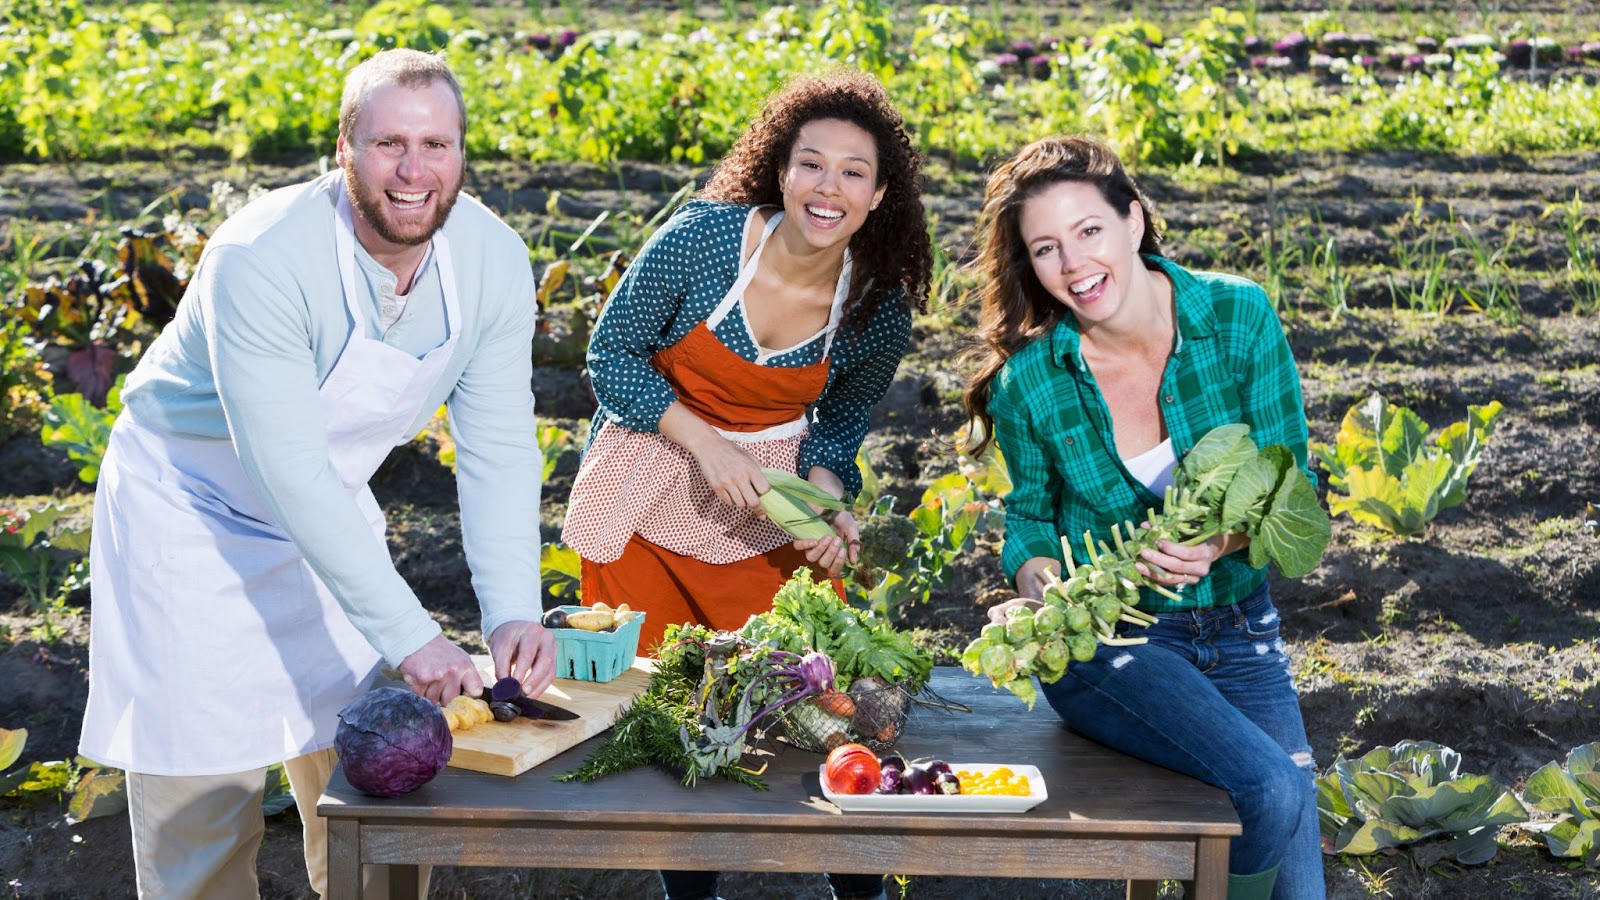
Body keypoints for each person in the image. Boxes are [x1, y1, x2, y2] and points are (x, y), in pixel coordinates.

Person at [78, 49, 556, 899]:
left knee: (377, 777)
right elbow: (284, 463)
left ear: (462, 155)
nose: (414, 171)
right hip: (190, 512)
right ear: (343, 149)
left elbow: (499, 447)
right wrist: (413, 636)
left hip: (326, 512)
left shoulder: (492, 260)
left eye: (437, 145)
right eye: (388, 144)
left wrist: (513, 605)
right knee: (204, 800)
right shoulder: (261, 256)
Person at [561, 69, 932, 900]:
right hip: (649, 491)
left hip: (764, 509)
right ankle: (689, 888)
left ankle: (856, 883)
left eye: (852, 172)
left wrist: (827, 497)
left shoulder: (876, 304)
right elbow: (610, 355)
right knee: (669, 722)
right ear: (781, 169)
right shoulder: (703, 239)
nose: (826, 187)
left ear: (879, 196)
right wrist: (706, 445)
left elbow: (839, 421)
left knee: (808, 697)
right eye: (811, 163)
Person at [962, 136, 1324, 900]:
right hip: (1111, 642)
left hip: (1239, 628)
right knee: (1271, 790)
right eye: (1047, 248)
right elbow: (1028, 516)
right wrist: (1039, 578)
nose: (1073, 264)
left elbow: (1294, 481)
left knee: (1299, 883)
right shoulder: (1032, 381)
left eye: (1089, 231)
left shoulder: (1237, 318)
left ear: (1133, 220)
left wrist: (1222, 540)